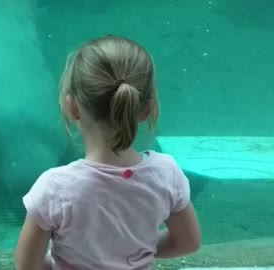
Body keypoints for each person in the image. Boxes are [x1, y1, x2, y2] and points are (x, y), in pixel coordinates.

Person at [14, 35, 201, 270]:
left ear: (72, 108)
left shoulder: (54, 188)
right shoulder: (166, 174)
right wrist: (139, 253)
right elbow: (188, 242)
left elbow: (26, 266)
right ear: (147, 110)